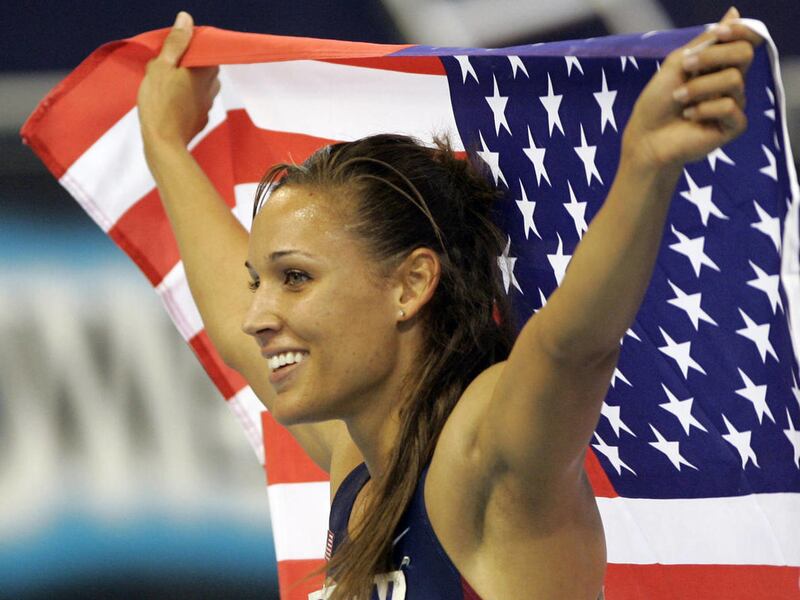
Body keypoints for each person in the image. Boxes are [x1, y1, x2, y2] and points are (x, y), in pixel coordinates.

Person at [136, 7, 761, 599]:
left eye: (295, 277)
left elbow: (571, 349)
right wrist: (164, 144)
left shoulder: (481, 450)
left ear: (410, 285)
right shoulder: (360, 463)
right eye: (258, 283)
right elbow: (233, 329)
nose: (257, 317)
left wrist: (646, 164)